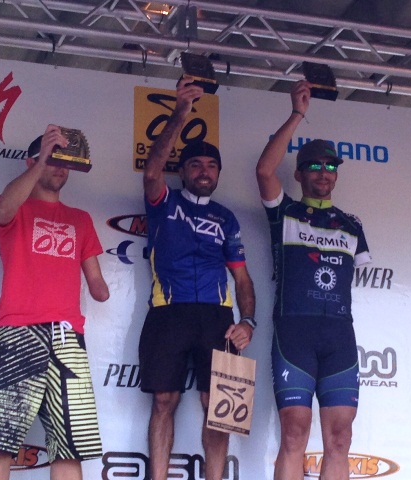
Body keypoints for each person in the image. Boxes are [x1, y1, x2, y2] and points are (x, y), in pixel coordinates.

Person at [139, 77, 256, 480]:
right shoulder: (163, 202)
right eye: (195, 165)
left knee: (219, 406)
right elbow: (151, 171)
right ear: (182, 170)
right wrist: (179, 114)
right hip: (168, 311)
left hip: (217, 317)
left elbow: (242, 279)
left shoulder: (226, 217)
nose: (204, 172)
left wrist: (248, 321)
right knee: (163, 400)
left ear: (218, 172)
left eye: (211, 166)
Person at [0, 124, 110, 480]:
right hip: (18, 333)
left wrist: (101, 288)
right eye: (53, 159)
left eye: (66, 162)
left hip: (68, 339)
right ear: (31, 162)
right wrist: (41, 162)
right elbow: (3, 209)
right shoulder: (15, 207)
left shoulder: (81, 219)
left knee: (70, 449)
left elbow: (97, 284)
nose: (60, 168)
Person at [256, 80, 372, 480]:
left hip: (339, 336)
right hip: (295, 334)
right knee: (294, 434)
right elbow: (264, 170)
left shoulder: (351, 225)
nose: (324, 173)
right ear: (300, 173)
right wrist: (297, 114)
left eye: (331, 167)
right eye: (315, 166)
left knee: (340, 438)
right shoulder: (285, 213)